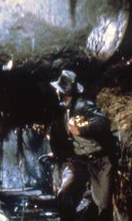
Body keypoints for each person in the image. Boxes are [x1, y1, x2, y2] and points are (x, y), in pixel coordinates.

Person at [43, 69, 116, 221]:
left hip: (100, 160)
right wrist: (56, 153)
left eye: (58, 90)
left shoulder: (83, 105)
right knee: (64, 195)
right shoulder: (60, 111)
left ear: (62, 92)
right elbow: (56, 135)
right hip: (79, 161)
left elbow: (102, 122)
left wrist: (82, 128)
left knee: (103, 205)